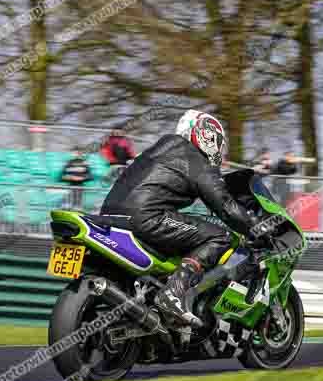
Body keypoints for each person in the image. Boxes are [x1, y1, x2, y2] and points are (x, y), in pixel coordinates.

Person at [100, 110, 263, 325]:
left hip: (110, 215)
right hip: (146, 216)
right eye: (217, 142)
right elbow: (225, 206)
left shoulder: (161, 148)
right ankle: (174, 292)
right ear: (207, 135)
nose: (219, 149)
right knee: (221, 236)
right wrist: (256, 227)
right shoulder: (194, 158)